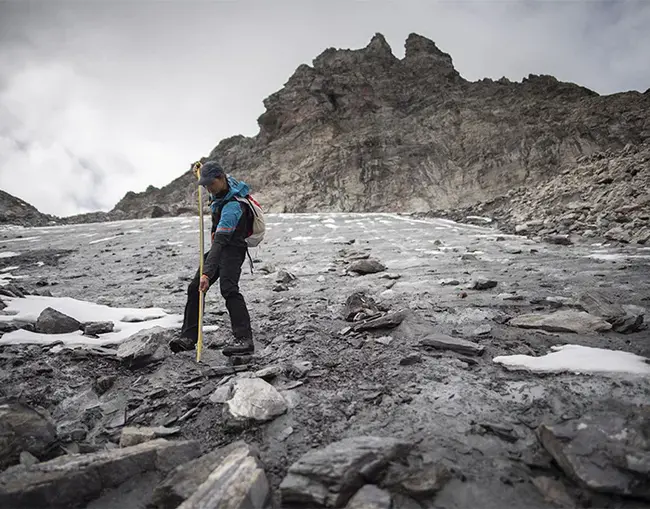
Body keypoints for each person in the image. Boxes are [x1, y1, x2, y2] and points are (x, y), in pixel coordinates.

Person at [169, 160, 254, 356]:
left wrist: (207, 273)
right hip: (220, 247)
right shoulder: (219, 188)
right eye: (205, 184)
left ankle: (244, 340)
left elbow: (219, 243)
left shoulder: (233, 207)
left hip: (232, 249)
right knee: (194, 288)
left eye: (210, 183)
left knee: (229, 289)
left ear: (221, 178)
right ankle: (189, 338)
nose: (208, 188)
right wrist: (198, 172)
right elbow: (207, 180)